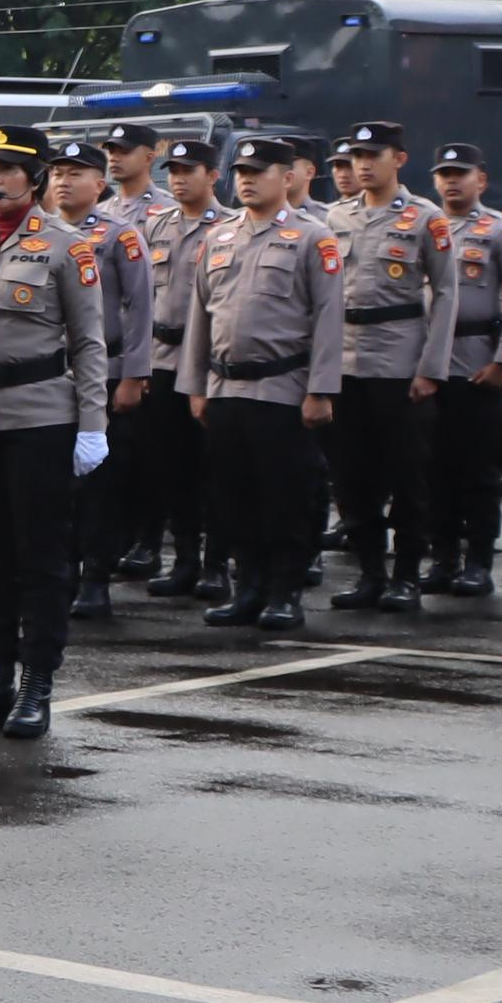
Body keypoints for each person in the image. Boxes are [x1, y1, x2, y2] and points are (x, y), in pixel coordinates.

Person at [0, 128, 110, 737]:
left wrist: (93, 423)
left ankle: (37, 686)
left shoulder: (68, 246)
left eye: (7, 169)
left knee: (40, 558)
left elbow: (88, 342)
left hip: (40, 418)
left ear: (34, 179)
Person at [176, 134, 344, 632]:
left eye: (258, 172)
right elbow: (200, 317)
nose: (246, 181)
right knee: (233, 496)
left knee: (285, 497)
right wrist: (196, 386)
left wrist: (321, 389)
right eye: (241, 173)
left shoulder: (313, 238)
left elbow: (329, 317)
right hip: (227, 389)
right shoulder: (220, 237)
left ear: (288, 178)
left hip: (282, 389)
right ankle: (247, 587)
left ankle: (284, 591)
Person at [317, 120, 455, 615]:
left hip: (399, 359)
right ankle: (370, 574)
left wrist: (431, 366)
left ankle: (407, 576)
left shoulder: (424, 217)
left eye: (373, 155)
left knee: (407, 475)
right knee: (352, 477)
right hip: (345, 359)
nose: (362, 164)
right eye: (356, 156)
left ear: (399, 159)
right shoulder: (334, 218)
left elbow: (445, 293)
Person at [48, 138, 154, 618]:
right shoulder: (41, 232)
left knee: (101, 484)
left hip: (106, 373)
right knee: (56, 484)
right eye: (57, 173)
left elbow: (139, 308)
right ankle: (61, 570)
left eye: (75, 173)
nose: (63, 181)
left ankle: (96, 578)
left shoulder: (119, 234)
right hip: (50, 376)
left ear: (99, 183)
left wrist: (134, 375)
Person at [426, 145, 502, 596]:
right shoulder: (421, 224)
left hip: (476, 360)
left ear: (480, 180)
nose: (452, 182)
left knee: (477, 470)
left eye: (461, 174)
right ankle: (443, 557)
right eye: (444, 174)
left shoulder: (501, 231)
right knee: (433, 469)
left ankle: (479, 562)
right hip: (426, 364)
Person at [134, 139, 231, 601]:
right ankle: (185, 559)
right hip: (161, 358)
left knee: (214, 469)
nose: (177, 178)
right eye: (172, 170)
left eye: (189, 170)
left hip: (208, 364)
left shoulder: (229, 228)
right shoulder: (156, 226)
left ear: (212, 176)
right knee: (170, 467)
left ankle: (217, 566)